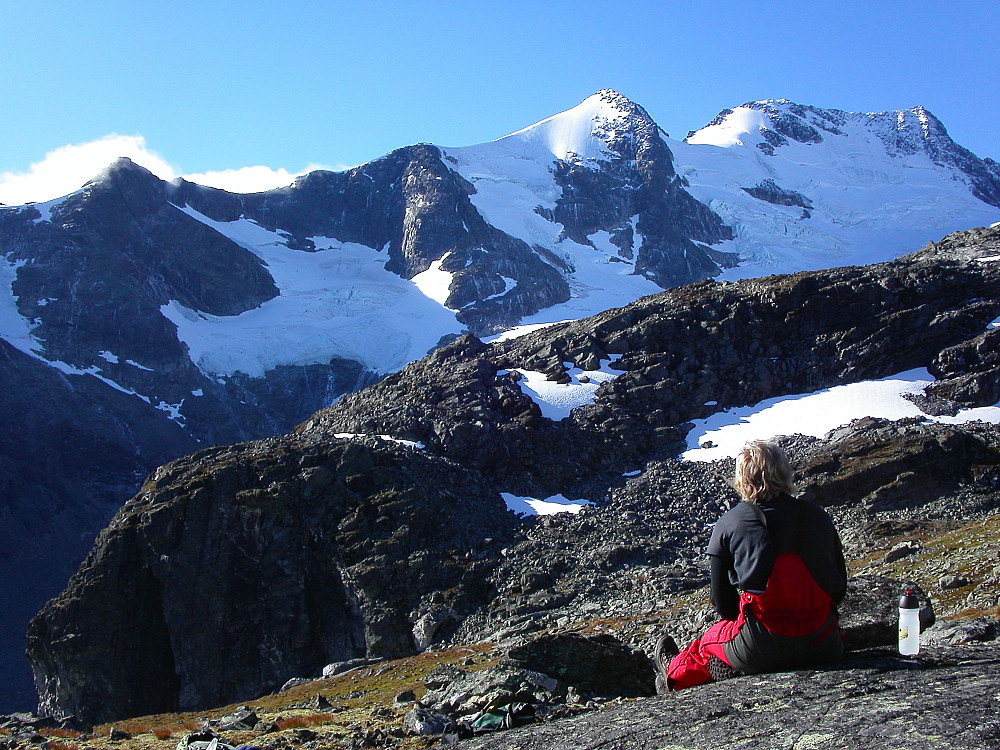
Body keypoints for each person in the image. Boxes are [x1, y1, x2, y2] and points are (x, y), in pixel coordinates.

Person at [656, 440, 847, 691]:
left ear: (742, 479)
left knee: (709, 642)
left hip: (760, 645)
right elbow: (838, 588)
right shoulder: (818, 516)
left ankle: (671, 673)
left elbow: (722, 603)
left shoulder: (730, 522)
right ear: (784, 472)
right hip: (824, 644)